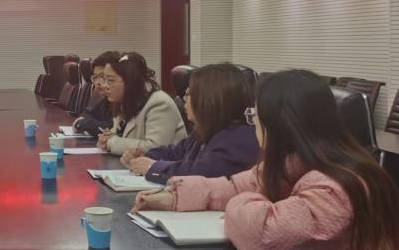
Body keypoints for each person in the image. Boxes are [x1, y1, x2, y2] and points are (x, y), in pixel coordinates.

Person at [133, 70, 399, 250]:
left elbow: (262, 232)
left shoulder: (336, 190)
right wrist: (175, 197)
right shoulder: (294, 163)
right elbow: (234, 185)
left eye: (255, 116)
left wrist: (249, 200)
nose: (252, 123)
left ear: (278, 124)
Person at [121, 63, 259, 184]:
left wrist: (151, 167)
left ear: (209, 100)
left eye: (189, 94)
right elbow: (175, 152)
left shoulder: (238, 139)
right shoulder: (208, 130)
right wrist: (144, 155)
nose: (184, 99)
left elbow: (199, 174)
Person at [97, 52, 186, 155]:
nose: (105, 86)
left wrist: (111, 142)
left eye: (110, 80)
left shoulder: (159, 103)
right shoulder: (126, 102)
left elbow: (154, 148)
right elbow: (119, 136)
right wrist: (106, 138)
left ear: (130, 81)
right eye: (105, 80)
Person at [72, 51, 120, 135]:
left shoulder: (122, 100)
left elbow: (112, 129)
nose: (98, 83)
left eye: (103, 76)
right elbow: (87, 114)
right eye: (95, 77)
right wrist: (86, 122)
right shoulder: (103, 97)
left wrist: (84, 123)